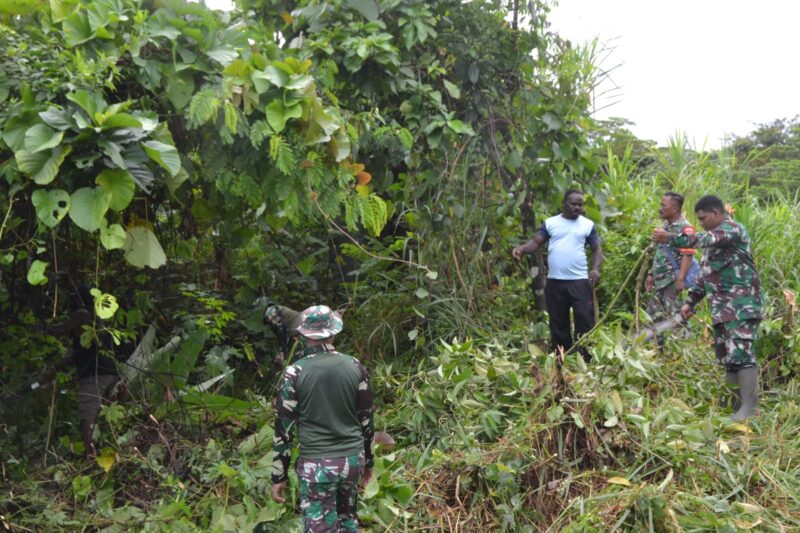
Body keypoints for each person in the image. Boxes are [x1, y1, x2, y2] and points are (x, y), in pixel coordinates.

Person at [652, 195, 763, 420]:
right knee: (728, 357)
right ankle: (735, 405)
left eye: (703, 218)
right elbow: (704, 277)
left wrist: (670, 237)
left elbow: (698, 239)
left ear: (715, 213)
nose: (701, 223)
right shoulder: (715, 245)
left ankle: (750, 409)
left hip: (741, 305)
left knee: (742, 354)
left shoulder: (732, 230)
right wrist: (689, 303)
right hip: (722, 309)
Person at [271, 305, 375, 532]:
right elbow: (366, 420)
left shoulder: (294, 373)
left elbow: (284, 430)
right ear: (334, 332)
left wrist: (278, 476)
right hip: (351, 461)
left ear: (303, 334)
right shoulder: (355, 366)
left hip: (317, 465)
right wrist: (369, 462)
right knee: (347, 520)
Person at [512, 190, 603, 361]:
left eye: (580, 204)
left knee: (585, 320)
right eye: (573, 204)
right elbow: (536, 242)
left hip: (580, 282)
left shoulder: (587, 225)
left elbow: (596, 249)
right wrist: (522, 249)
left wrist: (596, 268)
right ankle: (562, 359)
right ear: (564, 203)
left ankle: (585, 360)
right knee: (558, 323)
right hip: (555, 282)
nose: (577, 207)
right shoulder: (551, 223)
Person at [46, 285, 125, 456]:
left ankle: (92, 456)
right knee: (107, 418)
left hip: (95, 376)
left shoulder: (84, 315)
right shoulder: (97, 323)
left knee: (88, 417)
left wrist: (46, 328)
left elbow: (59, 330)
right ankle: (112, 454)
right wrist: (54, 369)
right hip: (110, 374)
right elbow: (78, 354)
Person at [646, 192, 698, 321]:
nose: (660, 209)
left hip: (672, 281)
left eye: (664, 206)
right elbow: (660, 252)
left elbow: (688, 254)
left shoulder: (685, 228)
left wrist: (680, 279)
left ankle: (683, 339)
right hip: (660, 281)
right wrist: (651, 274)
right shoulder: (666, 226)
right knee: (653, 318)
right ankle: (658, 341)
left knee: (676, 319)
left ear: (674, 209)